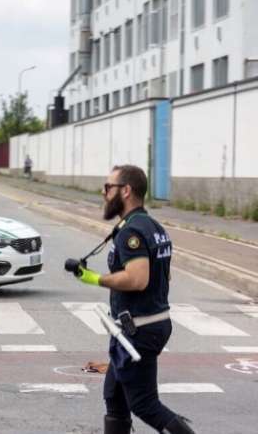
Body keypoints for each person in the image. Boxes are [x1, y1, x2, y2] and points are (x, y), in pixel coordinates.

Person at [67, 165, 194, 434]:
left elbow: (138, 279)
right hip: (142, 325)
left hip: (139, 329)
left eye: (108, 187)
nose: (104, 193)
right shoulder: (153, 227)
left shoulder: (131, 233)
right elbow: (164, 278)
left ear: (126, 191)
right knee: (114, 396)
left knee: (145, 403)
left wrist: (94, 279)